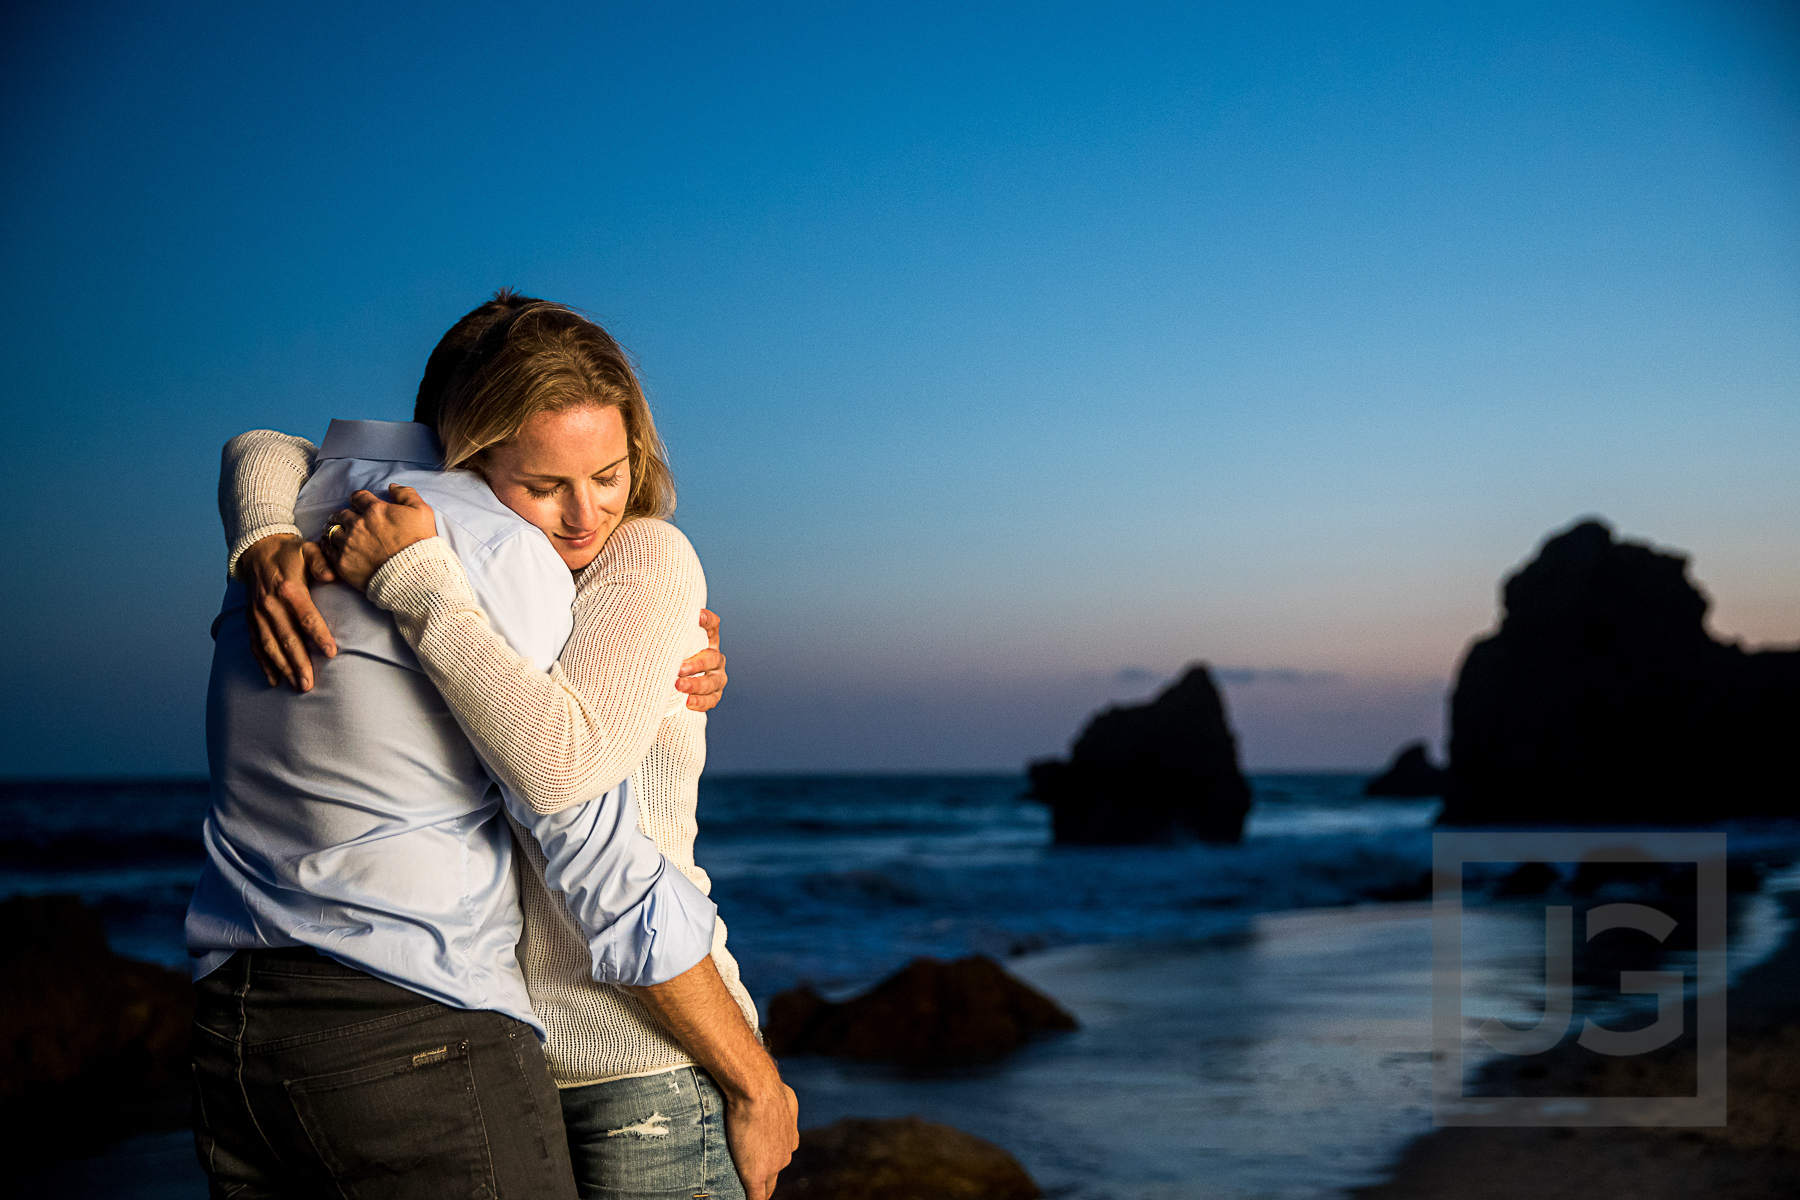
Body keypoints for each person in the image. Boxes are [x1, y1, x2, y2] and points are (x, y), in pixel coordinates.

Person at [217, 293, 797, 1200]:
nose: (584, 515)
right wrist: (263, 531)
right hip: (517, 1049)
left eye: (609, 473)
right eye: (545, 485)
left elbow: (571, 797)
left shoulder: (644, 555)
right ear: (468, 461)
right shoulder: (499, 559)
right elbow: (270, 447)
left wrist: (756, 1081)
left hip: (652, 1052)